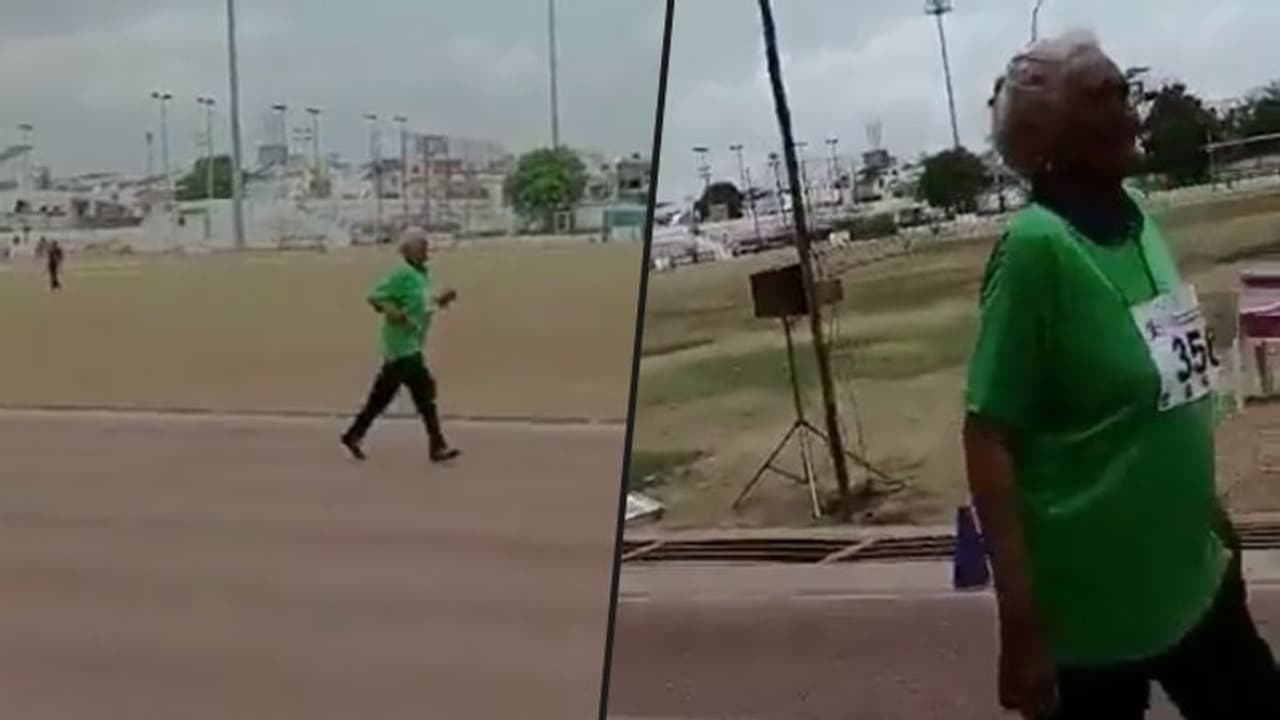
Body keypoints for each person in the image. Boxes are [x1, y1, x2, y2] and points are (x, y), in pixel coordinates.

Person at [964, 31, 1279, 719]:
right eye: (1101, 97)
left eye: (1123, 91)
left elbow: (1168, 382)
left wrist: (1210, 513)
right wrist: (1018, 622)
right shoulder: (1034, 252)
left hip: (1191, 576)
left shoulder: (1136, 219)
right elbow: (987, 436)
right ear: (1047, 135)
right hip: (1090, 615)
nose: (1127, 111)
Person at [341, 228, 461, 463]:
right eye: (421, 246)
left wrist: (441, 300)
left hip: (411, 344)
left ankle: (353, 434)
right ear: (408, 250)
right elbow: (376, 296)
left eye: (426, 245)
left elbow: (422, 306)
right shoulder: (401, 274)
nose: (426, 250)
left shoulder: (422, 276)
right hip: (402, 346)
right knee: (425, 395)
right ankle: (437, 445)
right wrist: (392, 311)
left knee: (381, 398)